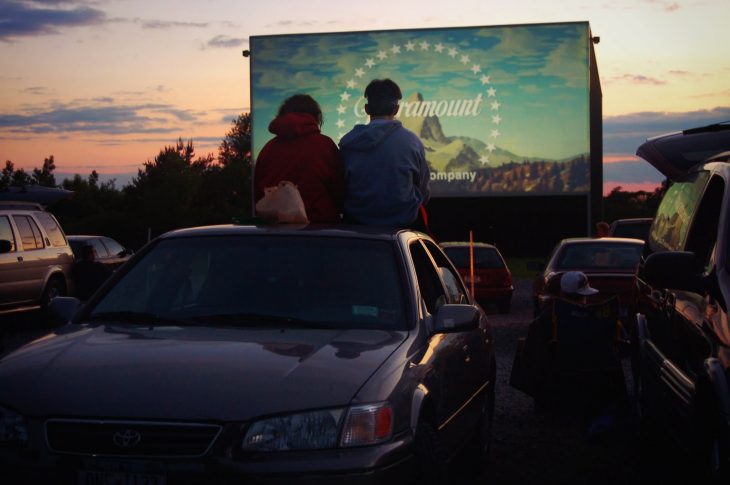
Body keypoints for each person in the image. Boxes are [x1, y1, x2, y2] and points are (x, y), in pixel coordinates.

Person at [338, 79, 431, 230]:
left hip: (355, 231)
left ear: (367, 109)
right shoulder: (412, 143)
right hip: (405, 232)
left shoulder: (347, 144)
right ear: (396, 110)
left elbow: (340, 190)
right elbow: (424, 193)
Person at [254, 94, 344, 223]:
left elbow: (258, 194)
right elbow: (339, 192)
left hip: (276, 233)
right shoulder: (325, 146)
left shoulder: (268, 149)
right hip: (320, 231)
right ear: (316, 117)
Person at [511, 271, 599, 398]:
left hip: (556, 375)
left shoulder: (547, 319)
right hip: (594, 373)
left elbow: (533, 355)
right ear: (584, 297)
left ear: (562, 294)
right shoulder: (596, 317)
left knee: (524, 345)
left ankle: (538, 394)